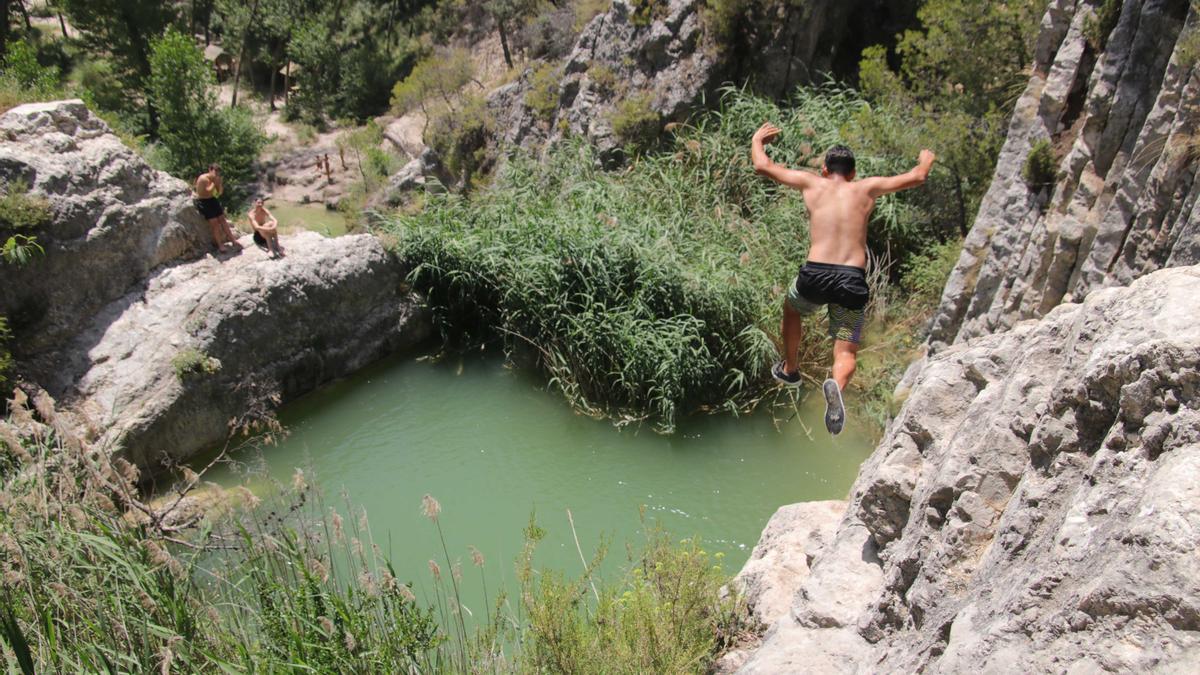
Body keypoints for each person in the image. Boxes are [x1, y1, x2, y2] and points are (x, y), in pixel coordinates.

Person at [751, 122, 935, 435]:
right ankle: (835, 384)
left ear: (825, 169)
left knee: (792, 308)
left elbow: (762, 165)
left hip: (816, 275)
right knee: (846, 350)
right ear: (852, 173)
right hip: (851, 280)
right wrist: (926, 158)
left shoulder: (811, 183)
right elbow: (917, 177)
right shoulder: (867, 188)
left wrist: (758, 139)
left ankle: (791, 368)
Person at [194, 164, 240, 252]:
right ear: (210, 170)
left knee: (222, 219)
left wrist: (220, 183)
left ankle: (233, 240)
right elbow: (208, 190)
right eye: (215, 172)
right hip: (203, 201)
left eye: (218, 173)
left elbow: (220, 192)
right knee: (214, 223)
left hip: (212, 199)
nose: (216, 174)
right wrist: (214, 182)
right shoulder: (203, 178)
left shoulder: (215, 179)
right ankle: (220, 245)